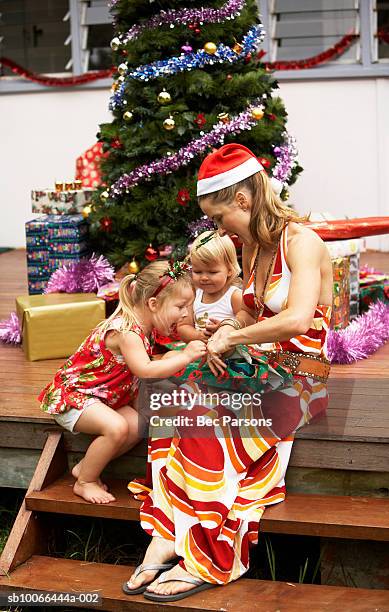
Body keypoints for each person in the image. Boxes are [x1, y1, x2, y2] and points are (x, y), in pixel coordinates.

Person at [125, 143, 332, 602]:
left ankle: (211, 554)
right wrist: (223, 330)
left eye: (219, 218)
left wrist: (233, 340)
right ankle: (170, 531)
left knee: (204, 423)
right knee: (173, 402)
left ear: (243, 200)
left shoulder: (302, 243)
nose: (219, 228)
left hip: (300, 375)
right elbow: (252, 317)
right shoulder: (255, 246)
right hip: (260, 363)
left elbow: (298, 319)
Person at [38, 260, 206, 505]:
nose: (185, 314)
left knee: (138, 424)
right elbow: (145, 370)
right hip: (74, 397)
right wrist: (184, 356)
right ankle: (84, 482)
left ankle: (85, 466)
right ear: (153, 304)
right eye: (180, 306)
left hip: (102, 397)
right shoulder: (127, 332)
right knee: (116, 427)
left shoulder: (142, 327)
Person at [177, 230, 242, 343]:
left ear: (230, 270)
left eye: (212, 272)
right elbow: (183, 326)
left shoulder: (234, 296)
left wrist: (225, 329)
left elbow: (248, 327)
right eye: (197, 272)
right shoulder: (194, 295)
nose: (204, 278)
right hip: (201, 355)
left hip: (232, 356)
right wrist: (198, 335)